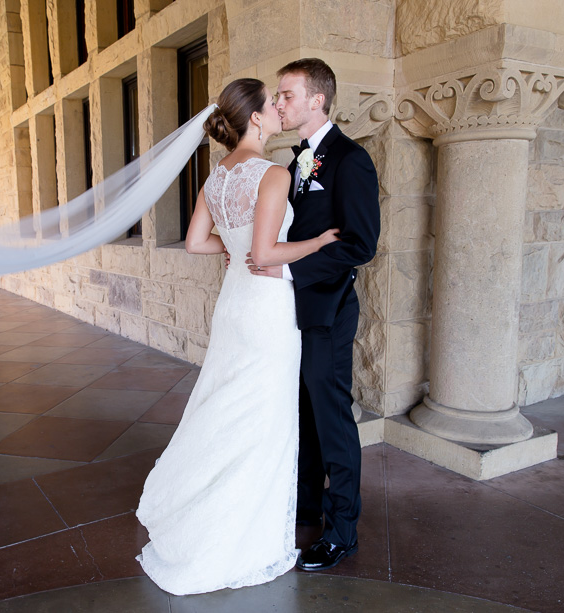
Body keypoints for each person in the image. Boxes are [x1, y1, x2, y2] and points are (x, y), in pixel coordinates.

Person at [135, 78, 340, 595]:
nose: (279, 111)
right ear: (255, 118)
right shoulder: (271, 174)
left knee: (229, 404)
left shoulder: (217, 178)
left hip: (234, 308)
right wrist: (315, 241)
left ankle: (204, 514)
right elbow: (267, 255)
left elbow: (194, 243)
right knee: (261, 416)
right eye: (273, 105)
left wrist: (234, 246)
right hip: (267, 309)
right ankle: (238, 536)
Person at [248, 58, 380, 571]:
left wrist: (287, 272)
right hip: (288, 311)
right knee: (301, 412)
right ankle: (306, 506)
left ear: (317, 100)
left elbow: (361, 244)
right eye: (278, 97)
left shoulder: (351, 160)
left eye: (286, 95)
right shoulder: (300, 158)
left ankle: (342, 528)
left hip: (326, 307)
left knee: (332, 419)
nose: (279, 103)